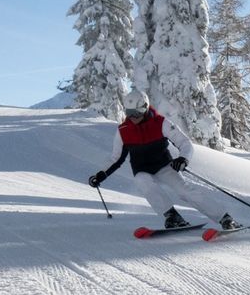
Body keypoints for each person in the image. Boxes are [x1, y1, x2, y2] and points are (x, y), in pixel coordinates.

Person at [89, 89, 240, 231]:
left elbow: (185, 143)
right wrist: (100, 174)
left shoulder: (161, 123)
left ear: (145, 108)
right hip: (142, 169)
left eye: (136, 113)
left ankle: (225, 218)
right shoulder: (123, 131)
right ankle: (172, 216)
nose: (133, 117)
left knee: (185, 191)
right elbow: (115, 158)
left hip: (164, 166)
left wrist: (183, 158)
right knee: (142, 181)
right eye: (129, 113)